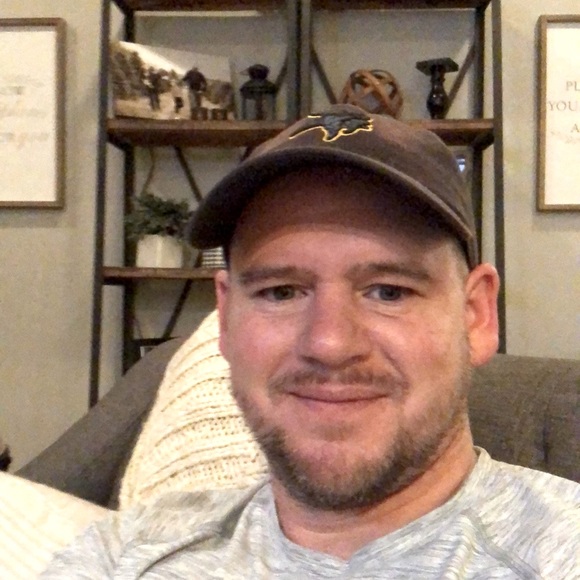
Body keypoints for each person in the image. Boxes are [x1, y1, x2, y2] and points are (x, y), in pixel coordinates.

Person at [42, 104, 579, 578]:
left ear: (475, 315)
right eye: (281, 292)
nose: (329, 343)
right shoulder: (121, 556)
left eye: (388, 291)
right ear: (225, 319)